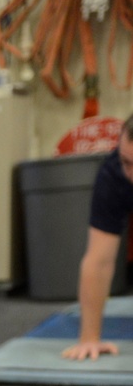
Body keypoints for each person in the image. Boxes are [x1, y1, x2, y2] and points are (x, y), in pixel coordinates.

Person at [61, 119, 132, 362]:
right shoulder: (115, 175)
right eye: (127, 162)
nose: (131, 175)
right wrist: (90, 338)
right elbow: (99, 261)